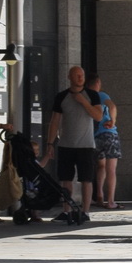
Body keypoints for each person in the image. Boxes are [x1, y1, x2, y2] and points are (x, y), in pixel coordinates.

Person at [43, 66, 103, 214]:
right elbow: (55, 121)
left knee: (86, 179)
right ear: (69, 77)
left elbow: (98, 116)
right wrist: (50, 143)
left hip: (86, 145)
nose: (80, 78)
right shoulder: (62, 96)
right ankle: (66, 211)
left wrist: (83, 102)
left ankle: (86, 211)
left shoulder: (92, 95)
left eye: (82, 75)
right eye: (76, 75)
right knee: (66, 179)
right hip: (66, 144)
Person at [83, 75, 121, 210]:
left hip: (94, 135)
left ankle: (99, 195)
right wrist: (113, 121)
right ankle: (110, 201)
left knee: (100, 166)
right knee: (111, 168)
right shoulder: (101, 95)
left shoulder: (86, 97)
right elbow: (112, 106)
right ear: (98, 83)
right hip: (109, 133)